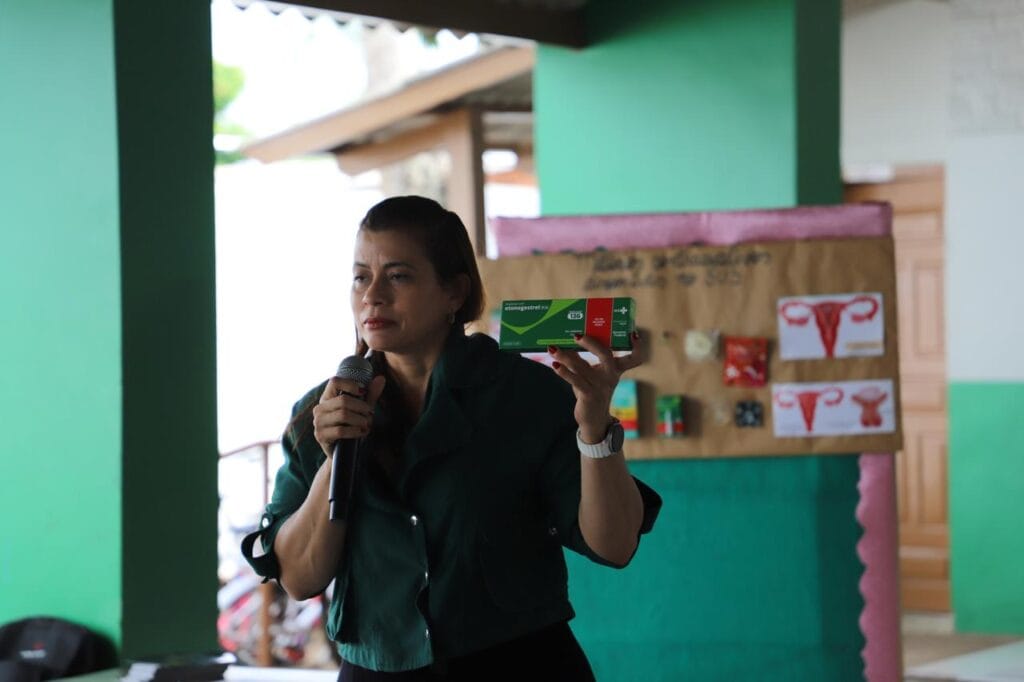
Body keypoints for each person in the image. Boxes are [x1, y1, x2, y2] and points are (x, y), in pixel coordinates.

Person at [242, 196, 661, 680]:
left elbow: (613, 545)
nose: (372, 296)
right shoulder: (321, 412)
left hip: (519, 664)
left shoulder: (526, 395)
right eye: (361, 276)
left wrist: (593, 428)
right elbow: (299, 578)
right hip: (378, 670)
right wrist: (334, 459)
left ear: (454, 292)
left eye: (398, 275)